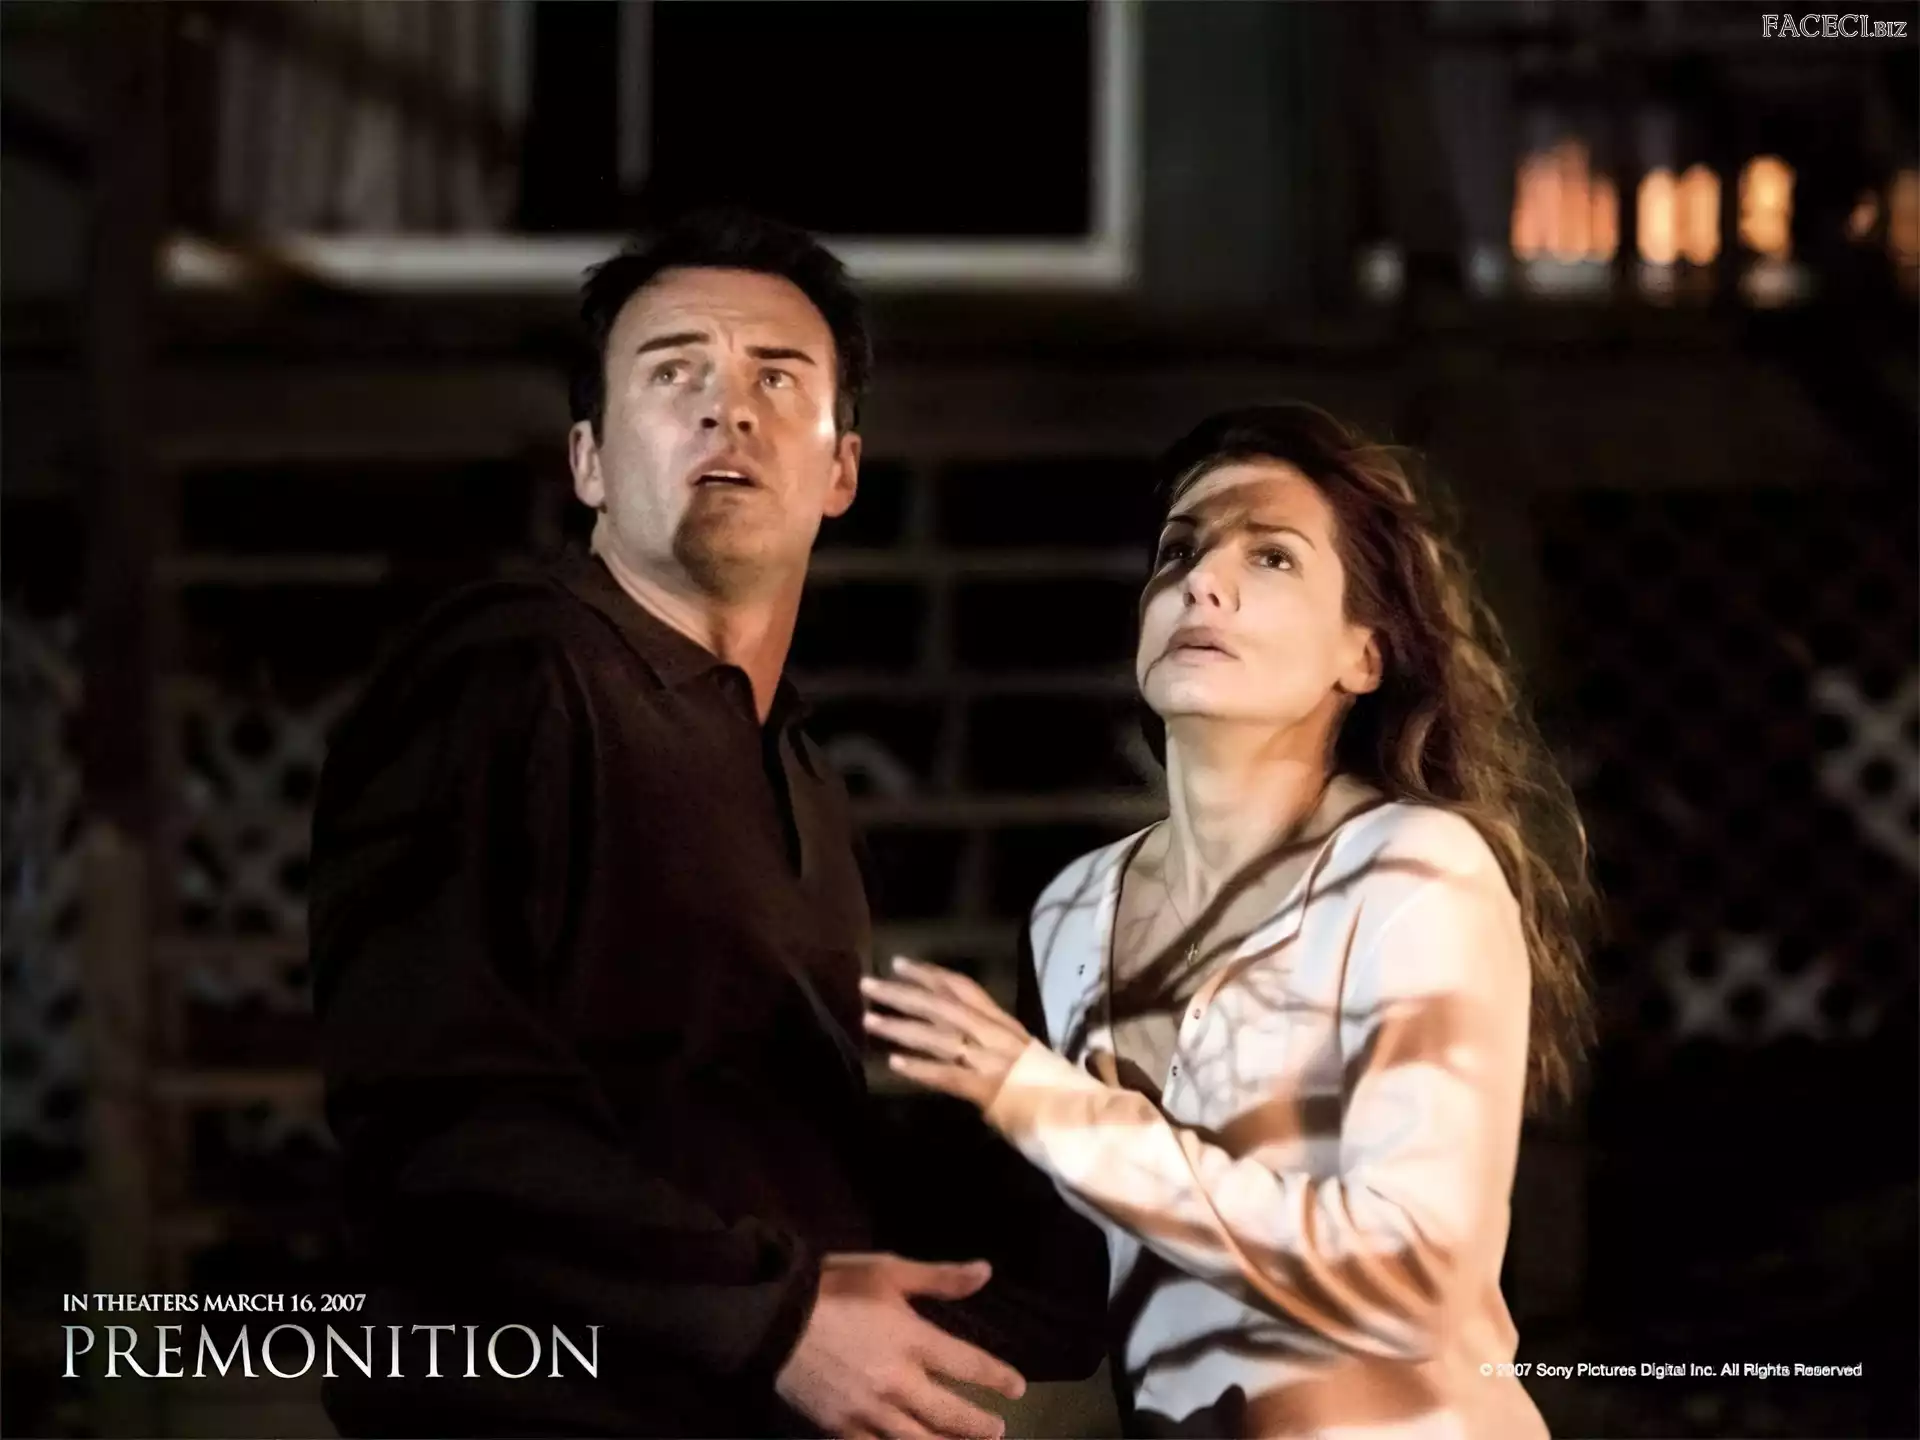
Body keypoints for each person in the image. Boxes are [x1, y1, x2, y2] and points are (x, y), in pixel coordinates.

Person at [309, 210, 1105, 1439]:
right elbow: (437, 1112)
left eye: (776, 378)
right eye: (674, 372)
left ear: (842, 471)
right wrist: (774, 1315)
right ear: (588, 461)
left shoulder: (797, 770)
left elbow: (771, 1154)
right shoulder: (514, 676)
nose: (726, 408)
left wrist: (1082, 1110)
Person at [864, 403, 1596, 1438]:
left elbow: (1414, 1280)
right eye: (1179, 551)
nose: (1202, 581)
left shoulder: (1413, 870)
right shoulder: (1073, 911)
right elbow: (1074, 1304)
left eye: (1273, 557)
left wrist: (1050, 1106)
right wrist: (840, 1307)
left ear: (1364, 654)